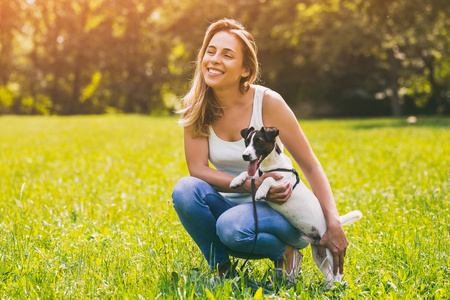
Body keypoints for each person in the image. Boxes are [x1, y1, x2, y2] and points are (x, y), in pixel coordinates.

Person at [171, 18, 348, 285]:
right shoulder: (196, 105)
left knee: (229, 227)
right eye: (211, 51)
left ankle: (285, 252)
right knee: (185, 189)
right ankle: (221, 270)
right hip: (231, 201)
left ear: (245, 70)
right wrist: (252, 185)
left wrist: (333, 223)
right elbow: (197, 169)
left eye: (227, 55)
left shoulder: (268, 102)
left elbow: (310, 165)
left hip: (277, 209)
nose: (215, 59)